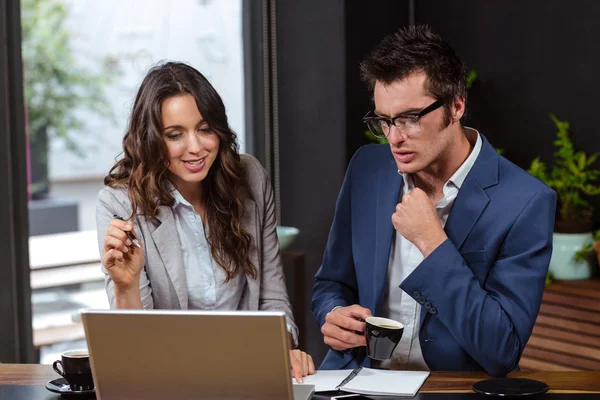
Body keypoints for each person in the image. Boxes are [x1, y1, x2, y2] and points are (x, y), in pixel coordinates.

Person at [312, 25, 556, 377]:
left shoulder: (527, 201)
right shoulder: (367, 168)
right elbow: (330, 283)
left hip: (452, 386)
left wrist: (431, 240)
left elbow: (501, 350)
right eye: (384, 120)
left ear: (456, 106)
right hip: (361, 376)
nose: (394, 138)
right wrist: (332, 313)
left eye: (410, 119)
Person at [96, 61, 314, 382]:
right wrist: (125, 286)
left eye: (205, 129)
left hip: (248, 373)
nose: (195, 148)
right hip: (169, 379)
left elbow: (272, 298)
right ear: (151, 139)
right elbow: (134, 349)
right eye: (175, 135)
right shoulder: (119, 203)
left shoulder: (249, 177)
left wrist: (280, 351)